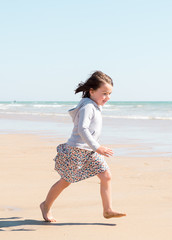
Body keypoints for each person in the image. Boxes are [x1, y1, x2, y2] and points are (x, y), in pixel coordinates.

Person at [40, 71, 126, 222]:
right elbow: (82, 129)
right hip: (77, 150)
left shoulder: (96, 105)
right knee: (65, 181)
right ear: (92, 91)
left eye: (110, 93)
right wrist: (97, 147)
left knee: (106, 176)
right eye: (104, 93)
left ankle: (107, 210)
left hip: (90, 152)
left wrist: (95, 148)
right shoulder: (88, 107)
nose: (108, 97)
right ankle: (46, 205)